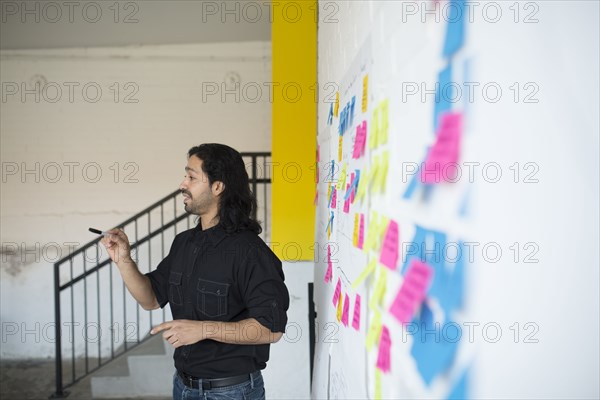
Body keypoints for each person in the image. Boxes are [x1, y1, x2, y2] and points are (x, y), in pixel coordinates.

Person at [101, 143, 289, 400]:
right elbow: (151, 299)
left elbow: (271, 329)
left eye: (191, 176)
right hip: (183, 386)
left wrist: (202, 330)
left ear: (217, 187)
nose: (182, 184)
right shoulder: (184, 243)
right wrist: (123, 259)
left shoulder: (250, 252)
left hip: (231, 392)